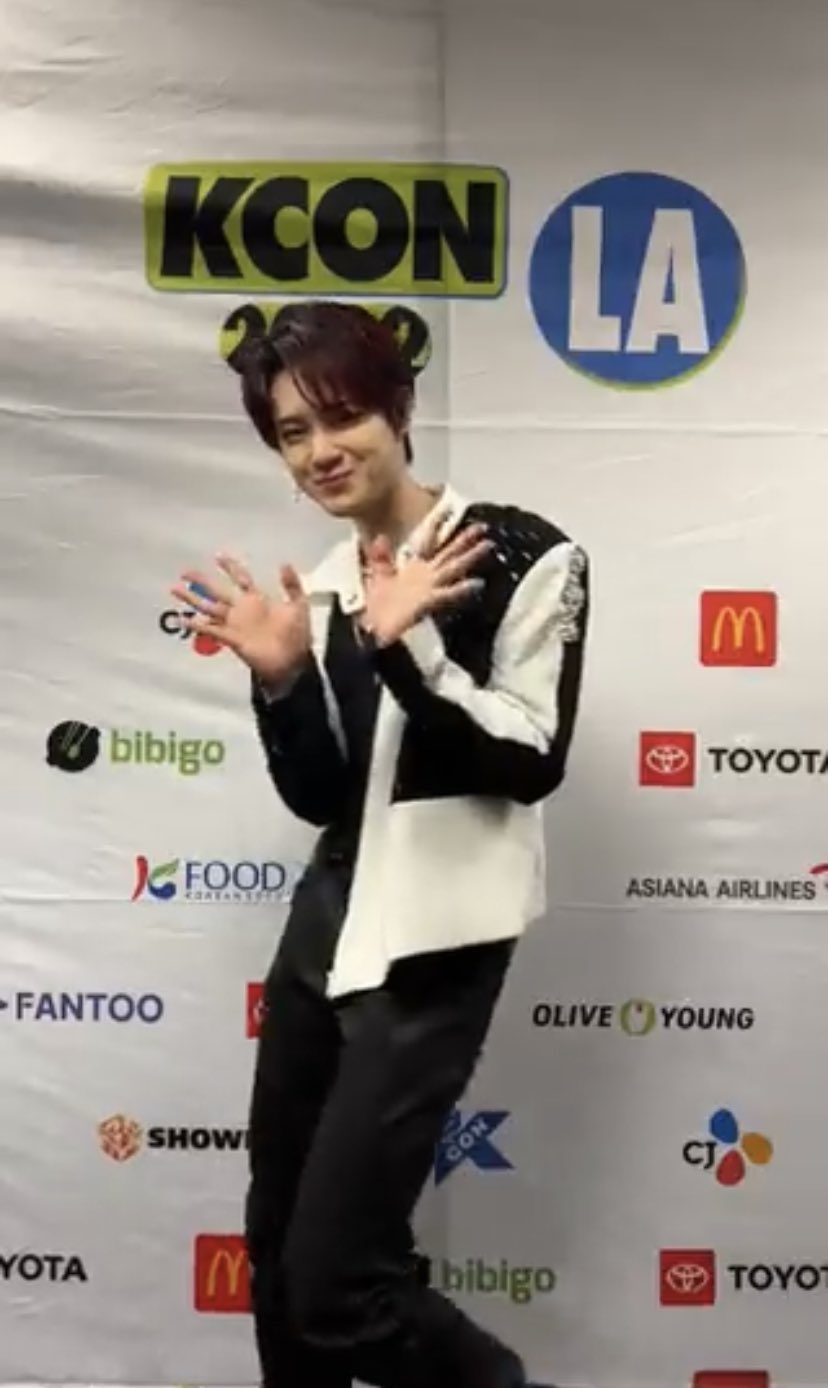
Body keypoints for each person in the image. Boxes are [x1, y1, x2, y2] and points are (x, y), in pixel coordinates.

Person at [171, 301, 589, 1388]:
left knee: (339, 1282)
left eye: (339, 416)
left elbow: (530, 755)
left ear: (399, 408)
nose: (320, 450)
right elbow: (324, 793)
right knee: (278, 1251)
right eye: (292, 432)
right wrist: (282, 681)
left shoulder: (521, 553)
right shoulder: (325, 581)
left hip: (434, 943)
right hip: (326, 928)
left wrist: (411, 651)